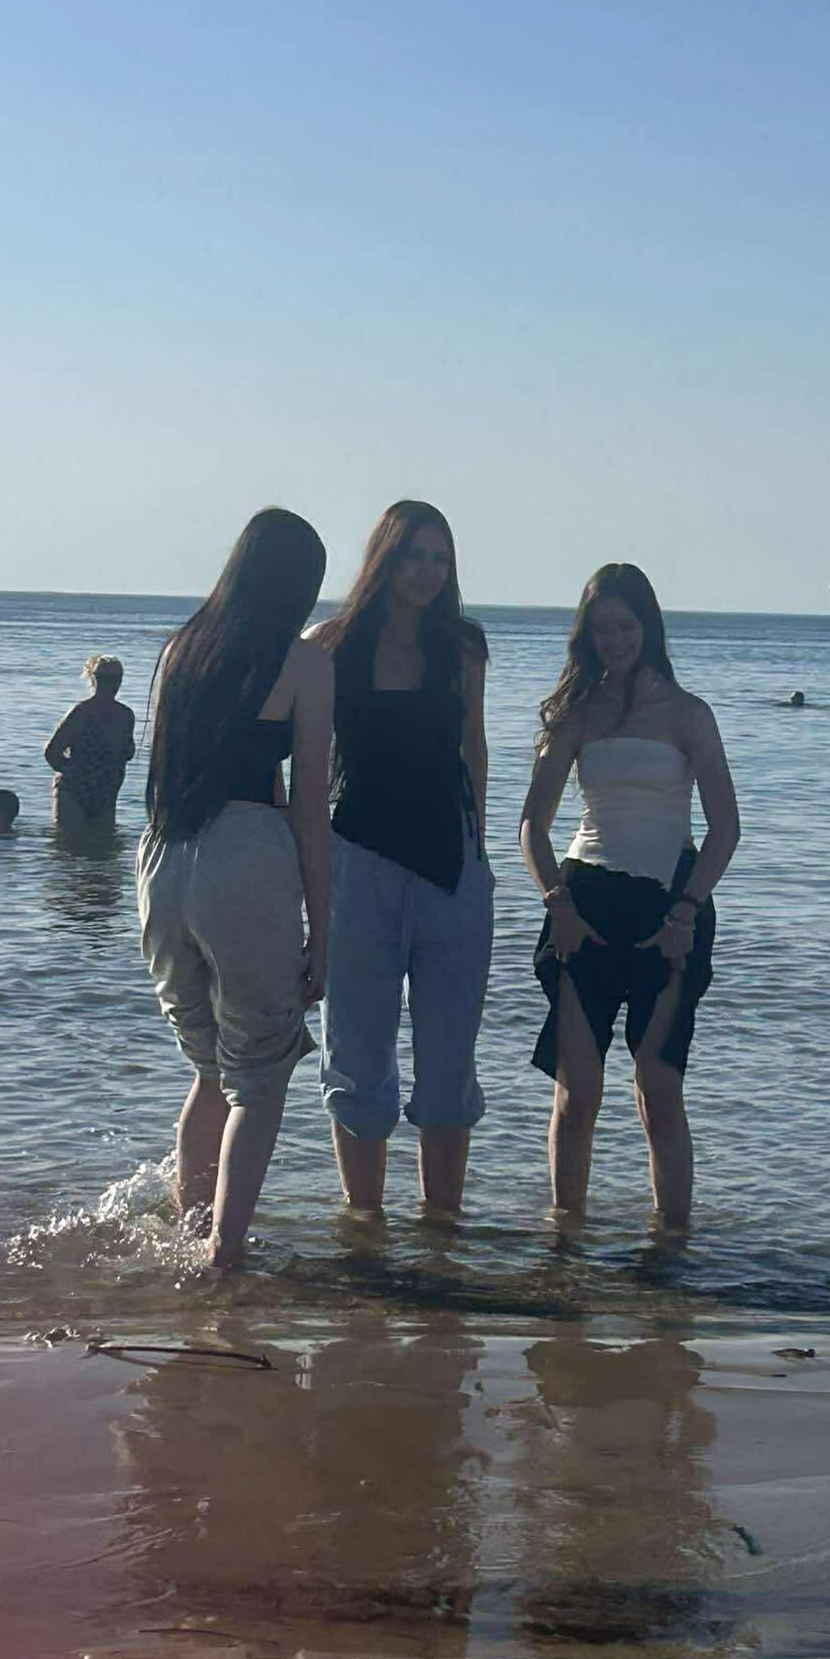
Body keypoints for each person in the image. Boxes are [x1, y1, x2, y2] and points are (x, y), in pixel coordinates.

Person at [137, 509, 333, 1269]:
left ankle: (186, 1235)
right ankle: (224, 1256)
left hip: (163, 857)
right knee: (259, 1077)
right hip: (244, 856)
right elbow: (309, 806)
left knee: (210, 1071)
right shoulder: (304, 663)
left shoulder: (181, 649)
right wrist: (324, 929)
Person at [519, 563, 740, 1230]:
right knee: (577, 1091)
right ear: (585, 635)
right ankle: (566, 1240)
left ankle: (671, 1245)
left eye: (625, 626)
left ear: (648, 627)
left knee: (659, 1086)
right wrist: (557, 903)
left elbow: (725, 828)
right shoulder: (576, 713)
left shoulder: (688, 714)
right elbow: (532, 826)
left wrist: (686, 912)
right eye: (601, 629)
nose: (613, 640)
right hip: (584, 901)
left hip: (669, 905)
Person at [310, 500, 492, 1218]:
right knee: (357, 1062)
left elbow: (473, 749)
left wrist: (480, 855)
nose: (427, 572)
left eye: (440, 559)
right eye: (414, 555)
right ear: (384, 558)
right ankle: (366, 1231)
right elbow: (307, 769)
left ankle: (441, 1235)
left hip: (451, 866)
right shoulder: (330, 646)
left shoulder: (464, 647)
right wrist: (306, 874)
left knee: (448, 1067)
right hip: (358, 867)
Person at [44, 656, 136, 833]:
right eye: (103, 678)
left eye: (115, 678)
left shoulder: (126, 715)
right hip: (74, 792)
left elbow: (128, 752)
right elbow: (52, 752)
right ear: (93, 679)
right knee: (69, 844)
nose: (110, 684)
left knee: (105, 847)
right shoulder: (81, 713)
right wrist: (76, 774)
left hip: (106, 794)